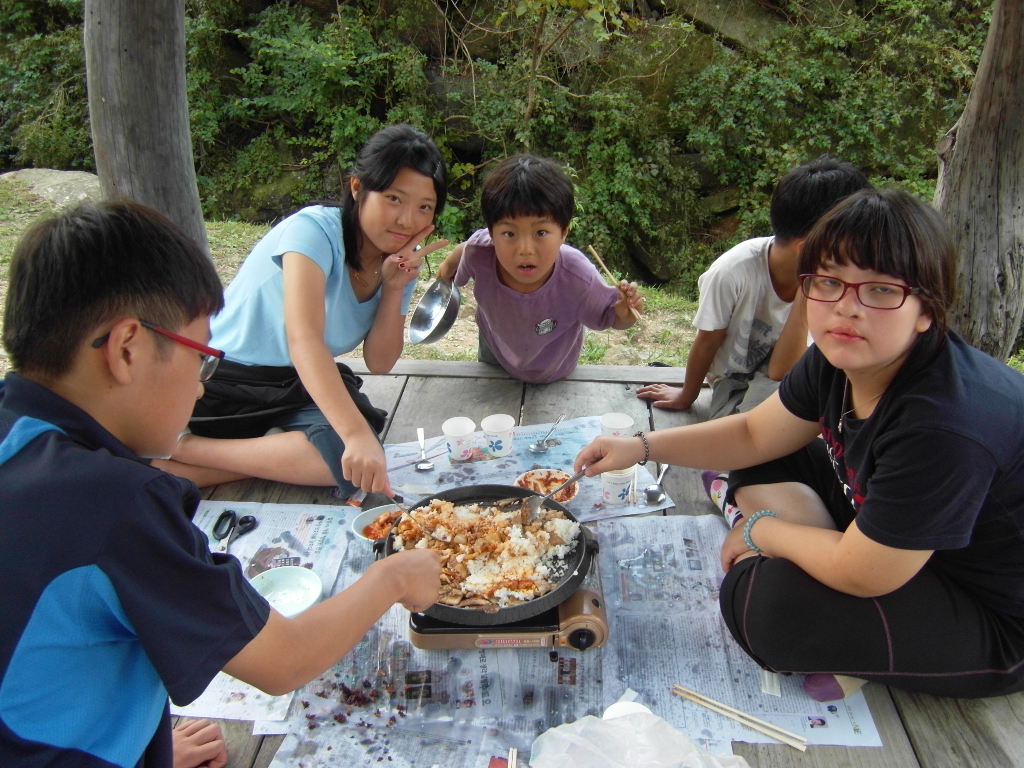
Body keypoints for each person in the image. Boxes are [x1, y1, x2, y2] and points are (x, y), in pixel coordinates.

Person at [0, 201, 441, 765]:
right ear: (128, 349)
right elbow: (284, 660)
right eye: (203, 358)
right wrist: (394, 577)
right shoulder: (116, 505)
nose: (203, 387)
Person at [575, 188, 1024, 701]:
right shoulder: (839, 358)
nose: (846, 308)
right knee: (764, 456)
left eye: (880, 290)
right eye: (828, 282)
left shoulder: (945, 425)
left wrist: (761, 531)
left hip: (988, 611)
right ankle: (827, 580)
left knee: (766, 607)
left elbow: (864, 572)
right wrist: (640, 446)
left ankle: (832, 610)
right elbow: (754, 434)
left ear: (927, 309)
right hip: (889, 539)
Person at [156, 124, 449, 498]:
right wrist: (354, 434)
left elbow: (379, 362)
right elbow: (304, 340)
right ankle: (231, 449)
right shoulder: (313, 231)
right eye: (394, 198)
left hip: (294, 382)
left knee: (353, 459)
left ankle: (187, 454)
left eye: (424, 207)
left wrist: (394, 288)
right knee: (353, 449)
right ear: (357, 188)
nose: (407, 220)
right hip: (225, 378)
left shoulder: (400, 260)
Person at [637, 156, 870, 418]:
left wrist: (808, 288)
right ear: (808, 249)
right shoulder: (732, 272)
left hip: (791, 377)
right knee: (759, 421)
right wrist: (686, 396)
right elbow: (707, 341)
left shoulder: (834, 286)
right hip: (735, 384)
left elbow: (782, 371)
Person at [436, 154, 643, 383]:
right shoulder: (479, 252)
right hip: (493, 350)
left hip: (554, 366)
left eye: (541, 232)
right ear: (492, 234)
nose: (525, 249)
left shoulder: (579, 277)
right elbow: (466, 248)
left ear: (564, 232)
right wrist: (446, 269)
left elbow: (613, 319)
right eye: (509, 233)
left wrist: (625, 315)